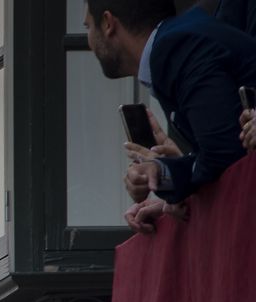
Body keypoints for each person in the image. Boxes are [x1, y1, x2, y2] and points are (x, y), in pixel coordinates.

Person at [84, 0, 256, 232]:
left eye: (88, 27)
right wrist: (161, 172)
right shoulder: (176, 43)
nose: (89, 44)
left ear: (107, 23)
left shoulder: (175, 46)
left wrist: (169, 174)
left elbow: (223, 154)